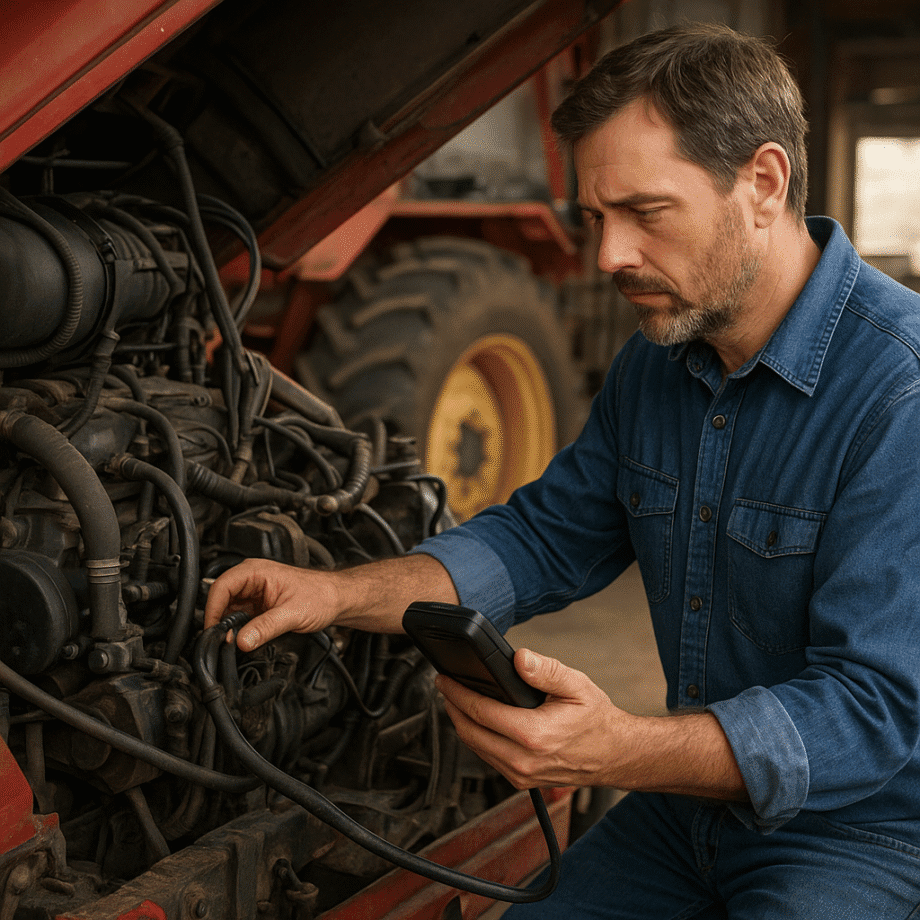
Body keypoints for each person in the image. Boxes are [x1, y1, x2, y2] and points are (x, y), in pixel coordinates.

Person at [204, 22, 920, 918]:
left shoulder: (900, 392)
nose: (610, 256)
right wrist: (339, 594)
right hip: (694, 811)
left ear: (763, 183)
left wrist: (618, 749)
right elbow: (543, 538)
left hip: (869, 831)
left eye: (645, 214)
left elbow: (873, 713)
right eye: (596, 218)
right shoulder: (655, 365)